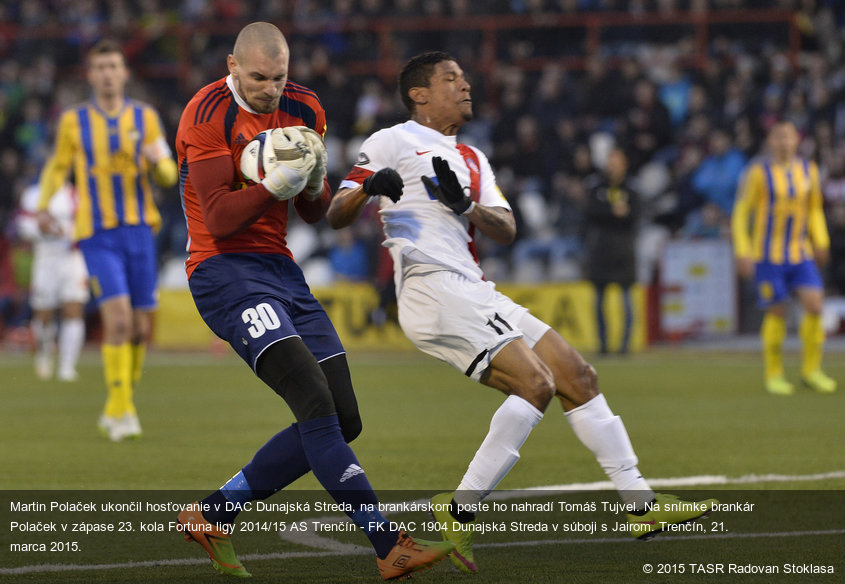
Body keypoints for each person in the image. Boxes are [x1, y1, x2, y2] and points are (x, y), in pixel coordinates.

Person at [328, 51, 718, 573]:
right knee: (535, 383)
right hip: (430, 287)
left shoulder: (473, 158)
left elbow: (507, 228)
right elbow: (336, 211)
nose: (465, 86)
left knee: (578, 376)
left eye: (465, 78)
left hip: (474, 288)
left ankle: (640, 505)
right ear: (419, 94)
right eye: (451, 79)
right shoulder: (390, 141)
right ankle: (461, 511)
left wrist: (464, 205)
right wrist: (371, 187)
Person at [173, 22, 453, 580]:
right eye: (258, 78)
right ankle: (388, 544)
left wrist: (317, 181)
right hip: (224, 272)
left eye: (278, 77)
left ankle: (211, 514)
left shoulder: (304, 107)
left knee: (343, 418)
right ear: (232, 65)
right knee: (313, 402)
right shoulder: (205, 114)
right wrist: (277, 183)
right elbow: (222, 220)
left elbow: (311, 211)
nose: (270, 88)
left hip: (281, 271)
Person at [37, 39, 178, 441]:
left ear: (124, 73)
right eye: (100, 67)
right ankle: (123, 409)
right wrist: (44, 204)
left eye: (114, 66)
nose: (107, 73)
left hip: (140, 232)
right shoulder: (73, 122)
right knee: (116, 321)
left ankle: (119, 404)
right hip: (97, 234)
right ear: (90, 75)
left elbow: (168, 175)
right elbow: (57, 166)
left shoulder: (145, 118)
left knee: (138, 328)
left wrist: (159, 163)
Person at [731, 119, 837, 395]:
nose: (784, 142)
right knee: (777, 310)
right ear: (771, 141)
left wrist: (821, 240)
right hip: (768, 255)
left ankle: (812, 371)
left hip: (800, 253)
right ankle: (774, 374)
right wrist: (742, 250)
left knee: (814, 305)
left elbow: (814, 209)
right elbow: (742, 212)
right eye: (779, 137)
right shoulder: (758, 173)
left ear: (797, 140)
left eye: (789, 137)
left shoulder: (809, 171)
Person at [17, 182, 88, 381]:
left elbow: (87, 223)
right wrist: (43, 230)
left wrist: (68, 233)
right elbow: (22, 226)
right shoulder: (34, 194)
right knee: (43, 313)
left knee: (73, 309)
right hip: (45, 257)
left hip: (72, 257)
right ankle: (44, 354)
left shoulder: (76, 193)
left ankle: (67, 366)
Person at [583, 147, 639, 355]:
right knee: (599, 301)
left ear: (624, 164)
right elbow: (589, 212)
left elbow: (636, 214)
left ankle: (625, 345)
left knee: (626, 300)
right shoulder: (596, 187)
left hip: (624, 250)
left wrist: (611, 214)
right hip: (601, 250)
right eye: (610, 162)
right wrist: (613, 211)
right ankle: (603, 344)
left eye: (616, 162)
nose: (613, 167)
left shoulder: (632, 189)